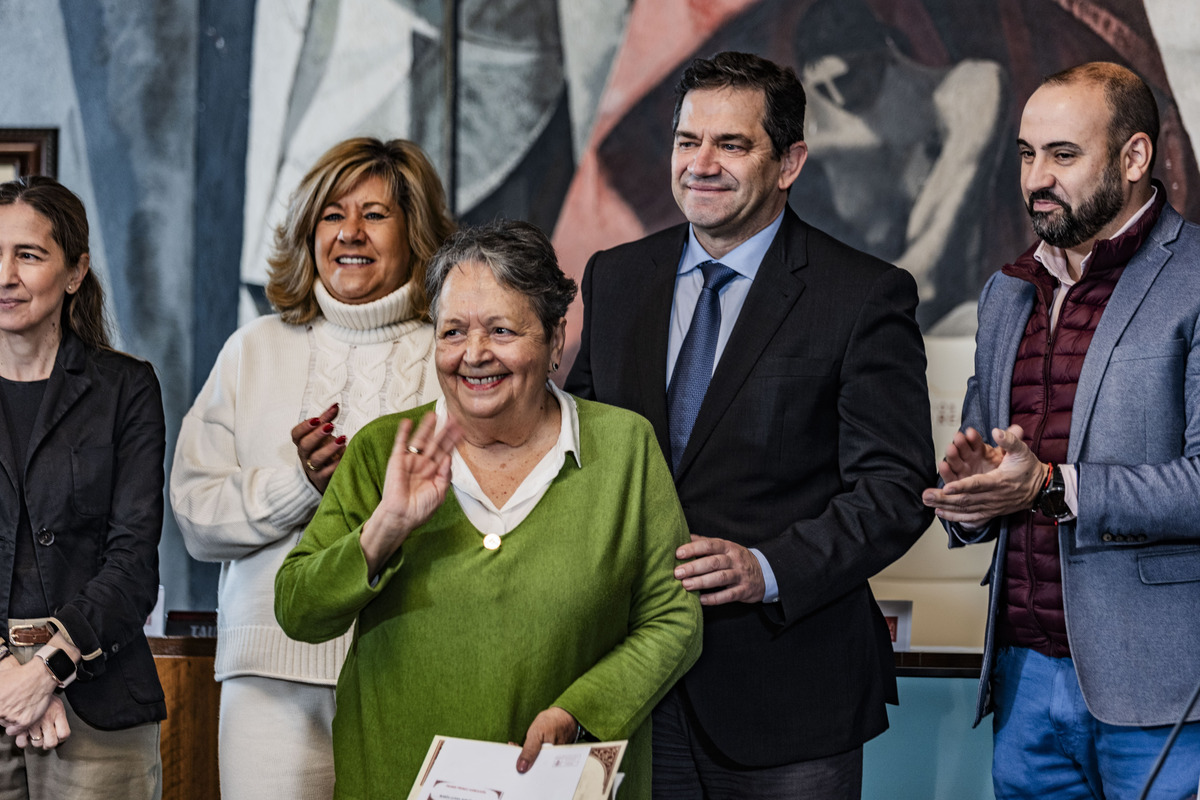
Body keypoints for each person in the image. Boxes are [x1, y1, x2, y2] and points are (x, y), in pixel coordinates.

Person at [565, 51, 933, 798]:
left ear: (790, 161)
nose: (701, 164)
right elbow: (578, 451)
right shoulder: (615, 277)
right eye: (686, 141)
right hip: (634, 682)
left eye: (731, 144)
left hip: (789, 694)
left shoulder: (862, 296)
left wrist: (764, 570)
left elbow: (894, 489)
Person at [275, 220, 702, 799]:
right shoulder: (383, 451)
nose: (474, 355)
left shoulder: (625, 448)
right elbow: (299, 611)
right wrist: (385, 530)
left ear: (556, 338)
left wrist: (578, 713)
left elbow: (675, 620)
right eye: (452, 332)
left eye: (501, 330)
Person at [922, 62, 1200, 798]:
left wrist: (1049, 487)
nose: (1036, 178)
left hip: (1163, 694)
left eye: (1063, 155)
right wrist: (973, 491)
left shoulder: (1197, 277)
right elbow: (999, 468)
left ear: (1135, 158)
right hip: (1021, 683)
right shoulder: (1007, 290)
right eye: (1025, 154)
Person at [170, 137, 455, 799]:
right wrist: (299, 485)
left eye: (375, 215)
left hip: (412, 661)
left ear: (415, 231)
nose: (350, 233)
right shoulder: (252, 349)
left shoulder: (451, 350)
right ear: (308, 231)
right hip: (268, 677)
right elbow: (196, 518)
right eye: (331, 214)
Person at [0, 176, 165, 798]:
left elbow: (132, 565)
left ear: (75, 271)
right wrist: (9, 678)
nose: (6, 274)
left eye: (29, 254)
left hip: (100, 702)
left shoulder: (127, 389)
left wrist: (47, 670)